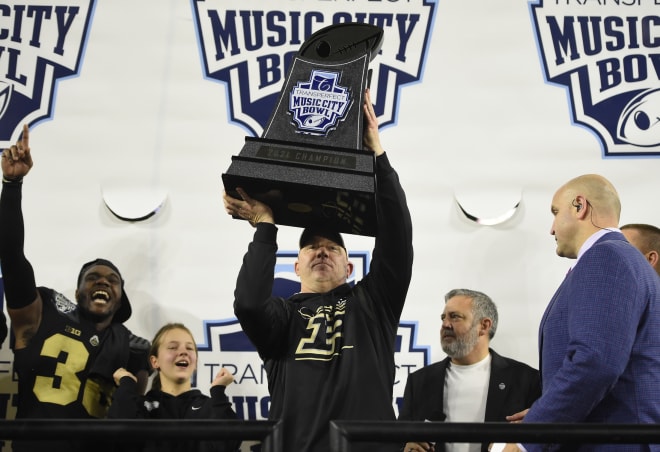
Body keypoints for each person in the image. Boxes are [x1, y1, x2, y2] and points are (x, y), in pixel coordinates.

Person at [222, 89, 414, 452]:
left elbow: (398, 238)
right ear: (295, 266)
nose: (321, 250)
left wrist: (378, 157)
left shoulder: (373, 302)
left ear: (350, 265)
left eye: (332, 247)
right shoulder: (281, 315)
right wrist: (265, 226)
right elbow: (247, 303)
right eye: (311, 246)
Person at [0, 125, 150, 451]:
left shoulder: (133, 345)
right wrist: (12, 185)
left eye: (112, 280)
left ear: (121, 297)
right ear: (78, 291)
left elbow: (133, 416)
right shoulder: (44, 312)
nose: (103, 282)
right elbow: (12, 259)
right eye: (93, 278)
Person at [499, 174, 660, 452]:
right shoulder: (625, 260)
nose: (551, 229)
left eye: (555, 212)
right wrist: (546, 412)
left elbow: (595, 363)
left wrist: (529, 438)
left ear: (579, 206)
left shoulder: (606, 257)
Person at [398, 289, 541, 452]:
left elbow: (543, 442)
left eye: (455, 317)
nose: (445, 324)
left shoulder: (525, 380)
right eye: (443, 318)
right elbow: (400, 441)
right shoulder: (419, 382)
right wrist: (406, 448)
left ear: (484, 326)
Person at [109, 323, 240, 452]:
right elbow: (119, 439)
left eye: (189, 348)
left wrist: (218, 392)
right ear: (155, 361)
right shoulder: (141, 406)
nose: (183, 352)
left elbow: (229, 444)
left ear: (195, 363)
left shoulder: (210, 406)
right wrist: (127, 384)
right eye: (173, 347)